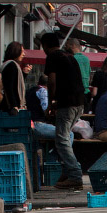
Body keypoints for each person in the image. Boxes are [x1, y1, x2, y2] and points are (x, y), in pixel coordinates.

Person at [42, 32, 86, 190]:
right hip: (79, 103)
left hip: (67, 103)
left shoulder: (52, 57)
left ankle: (74, 174)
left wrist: (50, 103)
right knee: (65, 137)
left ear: (45, 46)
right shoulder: (69, 57)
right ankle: (67, 171)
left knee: (61, 139)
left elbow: (52, 81)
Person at [26, 74, 62, 142]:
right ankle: (61, 152)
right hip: (39, 125)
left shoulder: (30, 90)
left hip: (30, 124)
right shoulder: (43, 91)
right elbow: (45, 108)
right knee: (68, 134)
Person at [0, 41, 31, 114]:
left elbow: (14, 83)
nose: (24, 54)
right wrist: (14, 106)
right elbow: (10, 87)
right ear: (15, 52)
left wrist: (24, 73)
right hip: (11, 108)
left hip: (10, 106)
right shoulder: (12, 65)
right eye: (22, 51)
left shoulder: (10, 65)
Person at [65, 38, 91, 109]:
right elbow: (89, 74)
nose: (65, 47)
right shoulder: (86, 59)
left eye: (66, 45)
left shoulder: (71, 58)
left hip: (76, 94)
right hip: (86, 92)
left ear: (72, 46)